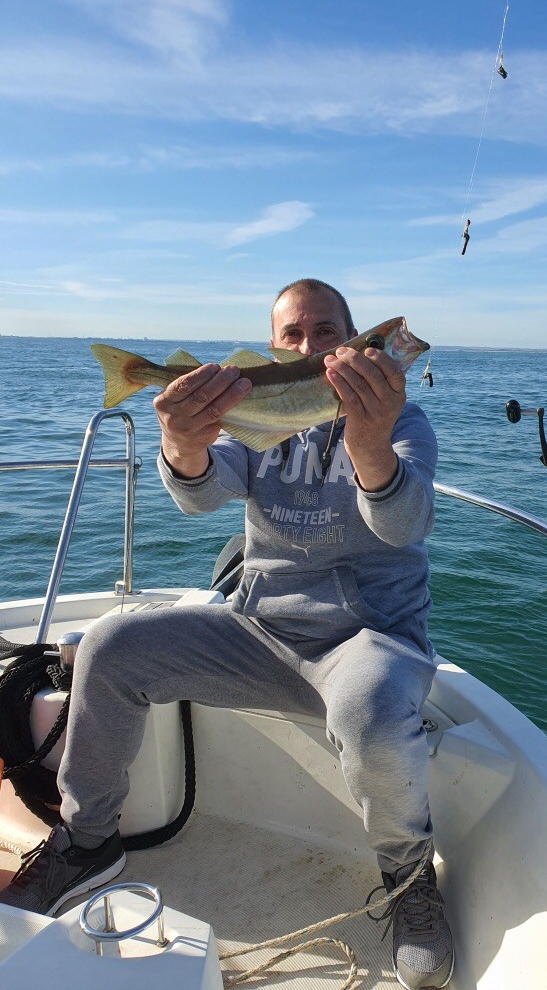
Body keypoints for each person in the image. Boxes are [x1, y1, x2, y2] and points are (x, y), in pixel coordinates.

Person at [0, 278, 454, 990]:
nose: (310, 345)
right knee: (113, 646)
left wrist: (369, 442)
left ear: (351, 339)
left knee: (368, 704)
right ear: (272, 349)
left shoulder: (404, 422)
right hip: (258, 626)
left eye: (327, 331)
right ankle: (85, 844)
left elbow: (403, 524)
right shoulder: (256, 416)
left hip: (366, 641)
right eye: (293, 335)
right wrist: (182, 444)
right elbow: (201, 493)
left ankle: (406, 877)